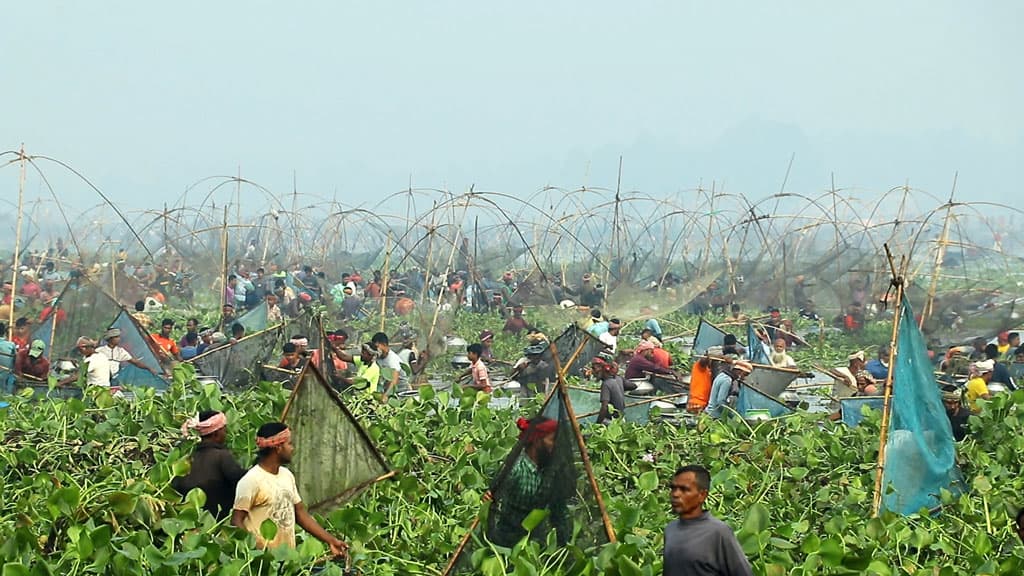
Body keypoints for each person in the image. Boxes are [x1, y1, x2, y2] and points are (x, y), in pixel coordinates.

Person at [232, 423, 348, 555]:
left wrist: (331, 541)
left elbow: (301, 514)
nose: (292, 448)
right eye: (290, 444)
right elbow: (236, 521)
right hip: (263, 561)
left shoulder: (286, 475)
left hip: (287, 558)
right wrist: (255, 553)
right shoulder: (251, 480)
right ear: (278, 448)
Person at [487, 416, 570, 547]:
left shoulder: (550, 470)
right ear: (537, 440)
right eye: (552, 440)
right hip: (505, 539)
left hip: (535, 541)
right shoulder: (515, 468)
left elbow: (559, 510)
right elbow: (493, 504)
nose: (556, 446)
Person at [664, 464, 752, 576]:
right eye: (673, 488)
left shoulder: (718, 532)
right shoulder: (670, 529)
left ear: (702, 495)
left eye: (684, 489)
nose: (675, 494)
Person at [172, 410, 246, 520]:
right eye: (224, 430)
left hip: (191, 521)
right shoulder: (222, 456)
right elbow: (243, 481)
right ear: (216, 433)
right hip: (217, 520)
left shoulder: (188, 458)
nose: (226, 434)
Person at [372, 332, 408, 397]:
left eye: (377, 346)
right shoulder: (377, 358)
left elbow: (394, 381)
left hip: (401, 391)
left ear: (384, 344)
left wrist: (385, 396)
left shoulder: (392, 359)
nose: (375, 349)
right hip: (387, 389)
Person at [593, 356, 626, 424]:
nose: (593, 372)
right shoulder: (615, 381)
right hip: (620, 420)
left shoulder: (606, 384)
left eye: (594, 368)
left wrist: (597, 424)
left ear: (602, 369)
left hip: (612, 422)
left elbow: (604, 407)